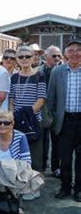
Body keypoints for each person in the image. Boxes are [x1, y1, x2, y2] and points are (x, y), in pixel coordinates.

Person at [47, 39, 81, 201]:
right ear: (66, 54)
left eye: (78, 50)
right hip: (64, 121)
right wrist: (53, 119)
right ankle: (65, 187)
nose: (75, 53)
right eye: (71, 50)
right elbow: (51, 98)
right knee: (65, 158)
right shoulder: (57, 71)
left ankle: (79, 189)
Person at [0, 111, 31, 214]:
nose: (2, 125)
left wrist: (12, 171)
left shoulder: (21, 137)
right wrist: (1, 172)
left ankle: (15, 205)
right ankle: (4, 205)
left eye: (6, 123)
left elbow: (27, 162)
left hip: (16, 173)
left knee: (13, 177)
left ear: (12, 124)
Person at [9, 46, 46, 175]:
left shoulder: (39, 75)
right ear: (17, 59)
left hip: (33, 120)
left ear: (33, 57)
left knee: (35, 156)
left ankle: (35, 187)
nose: (24, 59)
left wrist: (26, 115)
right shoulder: (13, 77)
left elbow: (41, 100)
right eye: (21, 57)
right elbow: (11, 100)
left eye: (27, 56)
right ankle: (22, 184)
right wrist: (16, 115)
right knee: (19, 154)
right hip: (18, 121)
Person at [40, 45, 63, 176]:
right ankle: (42, 166)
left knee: (57, 141)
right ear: (46, 57)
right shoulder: (39, 70)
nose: (57, 58)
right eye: (53, 55)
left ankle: (56, 168)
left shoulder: (63, 70)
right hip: (43, 110)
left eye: (59, 55)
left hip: (58, 111)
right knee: (43, 140)